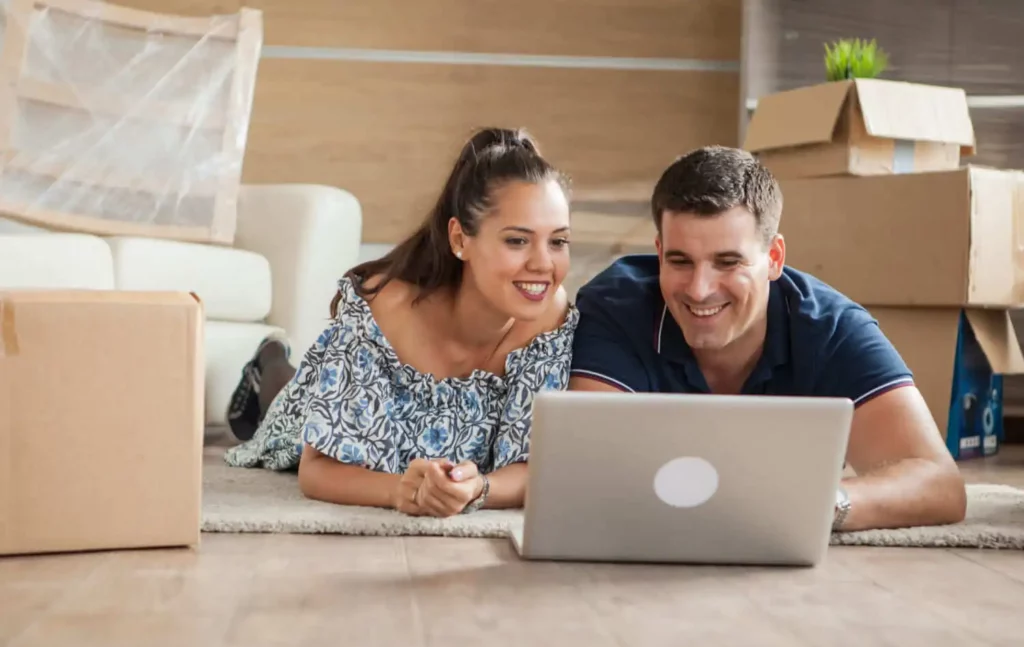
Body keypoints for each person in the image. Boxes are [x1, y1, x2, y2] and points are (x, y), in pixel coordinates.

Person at [568, 145, 967, 533]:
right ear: (659, 253)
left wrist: (820, 504)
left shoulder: (831, 327)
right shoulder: (615, 309)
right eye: (680, 261)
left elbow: (939, 483)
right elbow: (584, 466)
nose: (699, 289)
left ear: (774, 258)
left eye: (728, 262)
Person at [222, 127, 579, 518]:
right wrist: (402, 492)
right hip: (307, 408)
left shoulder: (549, 317)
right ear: (460, 240)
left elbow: (535, 467)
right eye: (517, 240)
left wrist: (479, 489)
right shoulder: (384, 308)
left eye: (558, 241)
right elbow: (318, 470)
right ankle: (270, 360)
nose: (543, 263)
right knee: (284, 410)